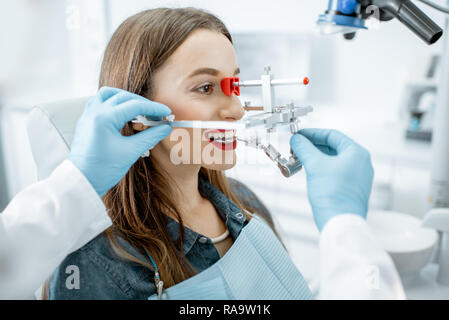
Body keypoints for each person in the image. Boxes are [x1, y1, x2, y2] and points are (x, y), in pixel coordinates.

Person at [43, 8, 405, 300]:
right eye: (205, 87)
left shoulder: (245, 202)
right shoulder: (95, 263)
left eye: (234, 83)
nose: (236, 110)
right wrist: (346, 226)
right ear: (138, 113)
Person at [0, 88, 173, 299]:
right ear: (140, 123)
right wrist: (82, 179)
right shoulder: (97, 264)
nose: (227, 110)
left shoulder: (224, 195)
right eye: (204, 89)